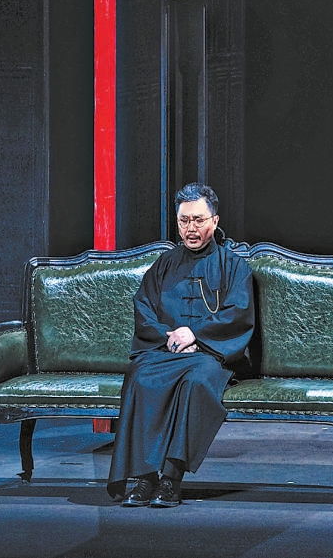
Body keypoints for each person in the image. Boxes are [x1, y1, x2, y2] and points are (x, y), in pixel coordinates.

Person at [107, 183, 254, 508]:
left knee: (195, 382)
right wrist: (170, 337)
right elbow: (144, 308)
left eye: (199, 220)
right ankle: (145, 478)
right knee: (140, 376)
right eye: (184, 220)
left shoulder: (234, 266)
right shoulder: (164, 264)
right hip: (166, 351)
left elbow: (238, 314)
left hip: (210, 356)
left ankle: (171, 480)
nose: (191, 228)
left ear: (214, 221)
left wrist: (196, 335)